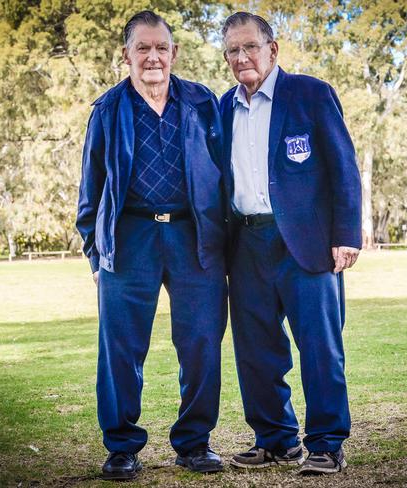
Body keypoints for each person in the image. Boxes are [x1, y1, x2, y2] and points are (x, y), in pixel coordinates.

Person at [76, 10, 227, 480]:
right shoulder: (107, 110)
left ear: (174, 53)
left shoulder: (203, 103)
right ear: (126, 56)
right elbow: (91, 188)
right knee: (120, 348)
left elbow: (226, 174)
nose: (153, 57)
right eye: (142, 48)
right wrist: (94, 251)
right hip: (130, 238)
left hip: (193, 237)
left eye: (161, 47)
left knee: (202, 341)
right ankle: (122, 446)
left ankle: (194, 442)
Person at [219, 12, 362, 475]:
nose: (242, 57)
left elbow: (344, 167)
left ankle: (325, 442)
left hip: (308, 244)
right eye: (233, 51)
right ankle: (275, 439)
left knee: (320, 345)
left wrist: (346, 235)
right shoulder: (222, 108)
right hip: (246, 243)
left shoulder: (312, 94)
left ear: (272, 49)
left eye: (250, 47)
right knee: (256, 350)